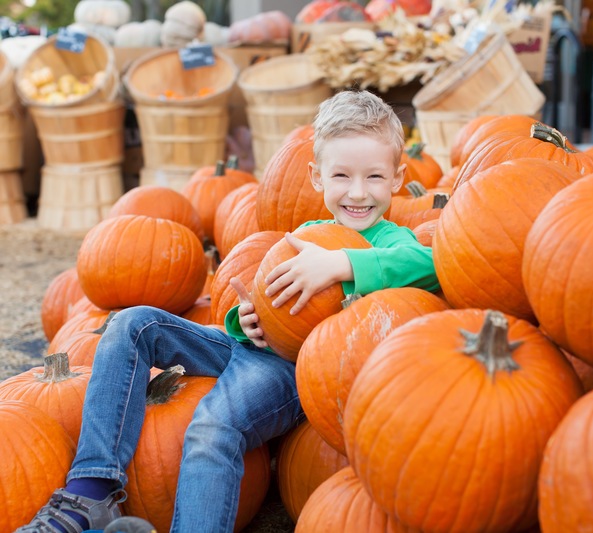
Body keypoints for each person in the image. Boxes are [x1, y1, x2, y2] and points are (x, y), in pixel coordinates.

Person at [18, 89, 440, 533]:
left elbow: (429, 266)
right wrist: (248, 320)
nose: (358, 192)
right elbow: (264, 306)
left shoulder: (394, 241)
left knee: (212, 427)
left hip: (296, 370)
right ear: (317, 177)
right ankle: (90, 493)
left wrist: (342, 264)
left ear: (397, 178)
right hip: (254, 350)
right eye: (342, 176)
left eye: (374, 177)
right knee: (132, 324)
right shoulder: (306, 232)